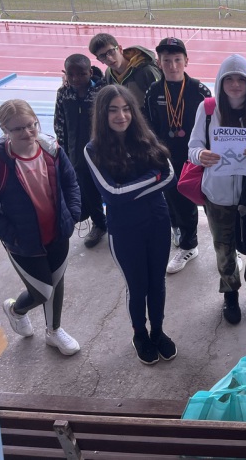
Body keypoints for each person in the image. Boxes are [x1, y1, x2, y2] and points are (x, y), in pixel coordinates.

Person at [0, 99, 82, 356]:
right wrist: (13, 236)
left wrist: (73, 213)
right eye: (18, 128)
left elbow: (70, 182)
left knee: (55, 284)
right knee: (42, 292)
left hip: (57, 233)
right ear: (5, 130)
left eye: (31, 125)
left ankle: (54, 331)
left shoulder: (52, 151)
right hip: (24, 243)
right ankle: (16, 310)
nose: (27, 132)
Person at [84, 85, 176, 365]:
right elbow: (112, 195)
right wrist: (152, 178)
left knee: (157, 282)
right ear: (103, 114)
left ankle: (158, 331)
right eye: (113, 110)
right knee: (137, 287)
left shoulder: (146, 138)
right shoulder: (93, 149)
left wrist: (132, 188)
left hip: (158, 222)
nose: (121, 116)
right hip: (125, 230)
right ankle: (140, 334)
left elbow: (169, 176)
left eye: (126, 109)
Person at [188, 54, 246, 325]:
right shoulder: (207, 111)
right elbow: (192, 147)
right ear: (220, 82)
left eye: (241, 79)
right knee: (223, 248)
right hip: (218, 196)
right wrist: (201, 155)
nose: (236, 85)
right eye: (230, 79)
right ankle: (229, 291)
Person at [145, 37, 211, 274]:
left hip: (198, 158)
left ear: (186, 61)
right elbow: (149, 126)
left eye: (177, 60)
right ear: (159, 63)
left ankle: (228, 246)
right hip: (168, 159)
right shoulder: (153, 91)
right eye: (166, 61)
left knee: (211, 202)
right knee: (178, 202)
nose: (172, 66)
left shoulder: (200, 91)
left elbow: (213, 126)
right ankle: (188, 245)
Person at [53, 53, 107, 249]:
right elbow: (59, 123)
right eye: (71, 74)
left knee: (109, 189)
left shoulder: (102, 91)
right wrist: (65, 152)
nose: (76, 79)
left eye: (81, 74)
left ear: (90, 72)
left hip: (103, 154)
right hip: (76, 155)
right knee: (88, 191)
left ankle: (118, 222)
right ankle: (99, 224)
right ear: (65, 74)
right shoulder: (63, 93)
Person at [88, 32, 161, 106]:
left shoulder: (146, 70)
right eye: (102, 56)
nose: (109, 58)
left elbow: (161, 99)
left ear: (120, 49)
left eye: (111, 52)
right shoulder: (109, 74)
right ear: (99, 60)